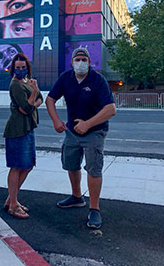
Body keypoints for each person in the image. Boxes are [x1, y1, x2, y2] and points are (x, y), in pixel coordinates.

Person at [45, 47, 116, 229]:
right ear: (72, 62)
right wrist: (56, 121)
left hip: (95, 131)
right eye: (77, 60)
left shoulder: (98, 80)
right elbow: (50, 100)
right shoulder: (65, 78)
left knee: (94, 168)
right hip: (71, 132)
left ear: (90, 63)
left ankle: (94, 208)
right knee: (71, 164)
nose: (81, 63)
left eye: (84, 60)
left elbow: (110, 109)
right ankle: (77, 197)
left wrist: (88, 124)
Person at [3, 53, 43, 219]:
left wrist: (33, 100)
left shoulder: (28, 82)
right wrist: (33, 95)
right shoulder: (16, 85)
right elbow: (26, 108)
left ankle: (10, 200)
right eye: (17, 68)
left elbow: (39, 100)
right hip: (17, 129)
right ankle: (13, 205)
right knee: (17, 166)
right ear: (13, 69)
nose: (20, 70)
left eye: (23, 67)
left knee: (27, 166)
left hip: (28, 128)